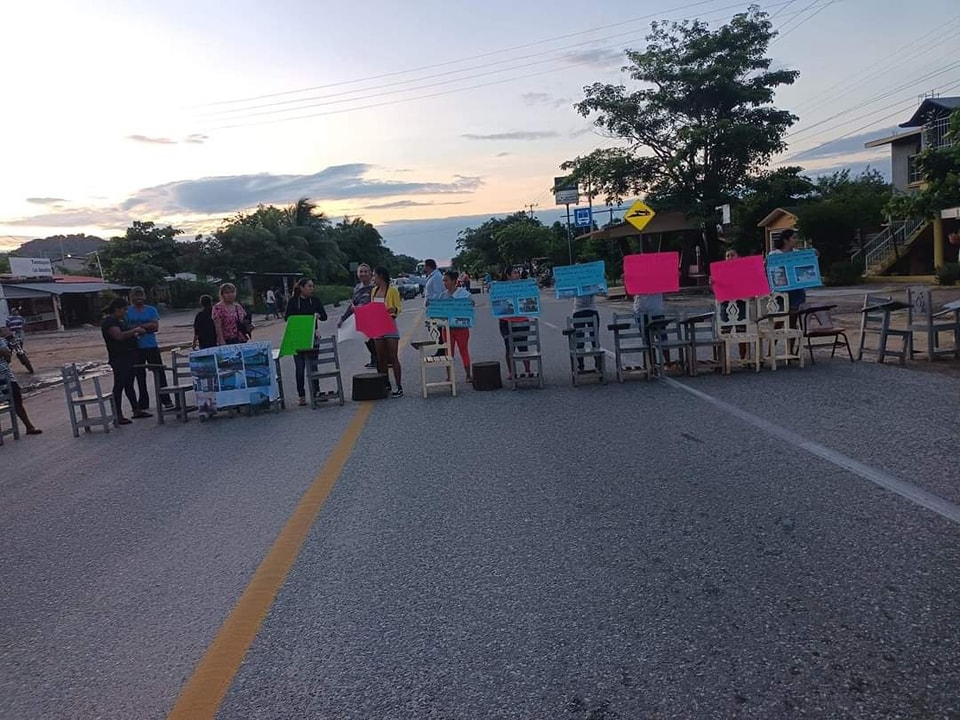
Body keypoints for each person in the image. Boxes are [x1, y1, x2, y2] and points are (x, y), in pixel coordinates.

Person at [101, 297, 150, 425]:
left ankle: (136, 409)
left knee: (129, 384)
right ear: (117, 309)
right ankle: (117, 414)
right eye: (124, 309)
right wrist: (135, 330)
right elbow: (119, 336)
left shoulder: (119, 321)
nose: (125, 312)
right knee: (119, 386)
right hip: (119, 358)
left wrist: (134, 334)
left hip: (129, 356)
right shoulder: (109, 322)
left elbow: (125, 333)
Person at [284, 277, 329, 406]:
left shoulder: (315, 301)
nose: (312, 289)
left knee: (313, 366)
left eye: (312, 286)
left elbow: (324, 316)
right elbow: (287, 318)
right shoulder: (293, 301)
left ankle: (316, 392)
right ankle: (301, 395)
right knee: (299, 368)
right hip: (298, 339)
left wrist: (319, 316)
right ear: (302, 288)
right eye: (309, 286)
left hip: (312, 338)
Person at [126, 286, 171, 411]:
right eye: (136, 296)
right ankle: (143, 402)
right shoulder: (127, 311)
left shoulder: (151, 310)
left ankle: (166, 399)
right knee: (140, 375)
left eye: (140, 296)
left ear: (144, 297)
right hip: (136, 348)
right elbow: (126, 327)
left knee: (159, 373)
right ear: (132, 297)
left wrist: (138, 327)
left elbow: (155, 327)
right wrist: (145, 327)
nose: (138, 298)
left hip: (151, 345)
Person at [0, 327, 41, 435]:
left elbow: (7, 356)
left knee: (17, 401)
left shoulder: (3, 339)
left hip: (6, 377)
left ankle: (29, 426)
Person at [370, 266, 403, 398]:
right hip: (378, 327)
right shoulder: (373, 291)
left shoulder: (392, 290)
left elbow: (398, 307)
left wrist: (393, 310)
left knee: (393, 357)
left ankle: (399, 385)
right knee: (381, 358)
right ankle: (386, 383)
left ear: (381, 276)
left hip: (389, 325)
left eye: (375, 276)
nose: (373, 278)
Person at [338, 263, 378, 368]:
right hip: (361, 318)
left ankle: (378, 359)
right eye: (361, 271)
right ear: (357, 274)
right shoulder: (357, 288)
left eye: (365, 271)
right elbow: (353, 304)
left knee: (375, 340)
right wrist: (343, 318)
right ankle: (374, 359)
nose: (363, 274)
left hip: (373, 317)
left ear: (370, 273)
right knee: (366, 339)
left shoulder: (375, 287)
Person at [498, 267, 531, 380]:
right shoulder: (501, 288)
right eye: (514, 273)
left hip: (522, 320)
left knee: (523, 346)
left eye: (518, 273)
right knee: (509, 347)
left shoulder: (523, 286)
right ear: (508, 276)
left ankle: (527, 370)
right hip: (506, 321)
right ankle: (511, 372)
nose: (517, 275)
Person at [441, 270, 474, 383]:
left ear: (454, 281)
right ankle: (449, 375)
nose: (444, 283)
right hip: (447, 328)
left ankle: (468, 374)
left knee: (463, 350)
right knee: (448, 352)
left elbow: (470, 304)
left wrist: (470, 304)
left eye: (446, 280)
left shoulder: (463, 294)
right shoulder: (443, 295)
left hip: (461, 328)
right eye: (444, 281)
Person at [570, 291, 600, 374]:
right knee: (591, 340)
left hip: (583, 310)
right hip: (586, 310)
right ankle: (585, 365)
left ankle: (583, 366)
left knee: (593, 340)